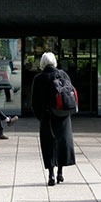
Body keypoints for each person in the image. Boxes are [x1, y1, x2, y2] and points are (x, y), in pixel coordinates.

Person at [31, 51, 76, 186]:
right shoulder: (63, 75)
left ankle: (51, 174)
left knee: (49, 144)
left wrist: (41, 117)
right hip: (63, 116)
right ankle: (60, 173)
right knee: (63, 143)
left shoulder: (39, 78)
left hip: (47, 115)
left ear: (42, 63)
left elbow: (34, 102)